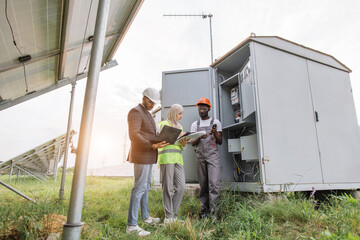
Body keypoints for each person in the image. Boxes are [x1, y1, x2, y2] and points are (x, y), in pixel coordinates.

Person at [126, 87, 169, 237]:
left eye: (154, 103)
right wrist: (151, 145)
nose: (152, 105)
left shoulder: (148, 114)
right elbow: (134, 134)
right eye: (150, 102)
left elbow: (150, 133)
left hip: (150, 154)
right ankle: (131, 225)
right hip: (142, 154)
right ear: (144, 98)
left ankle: (145, 217)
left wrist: (162, 138)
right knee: (139, 188)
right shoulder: (136, 112)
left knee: (146, 186)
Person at [190, 97, 222, 219]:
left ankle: (215, 215)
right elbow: (193, 143)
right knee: (203, 185)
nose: (201, 110)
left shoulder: (216, 122)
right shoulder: (195, 124)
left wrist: (215, 133)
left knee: (214, 184)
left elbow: (220, 141)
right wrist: (199, 137)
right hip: (200, 157)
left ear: (209, 108)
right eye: (200, 108)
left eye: (204, 107)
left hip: (213, 156)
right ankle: (204, 213)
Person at [157, 104, 189, 224]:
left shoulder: (180, 127)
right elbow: (160, 141)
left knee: (181, 187)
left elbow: (181, 147)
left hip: (178, 160)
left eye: (182, 114)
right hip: (166, 159)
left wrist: (184, 143)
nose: (181, 116)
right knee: (168, 188)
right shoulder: (163, 124)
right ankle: (168, 217)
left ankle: (174, 215)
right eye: (179, 113)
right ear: (173, 112)